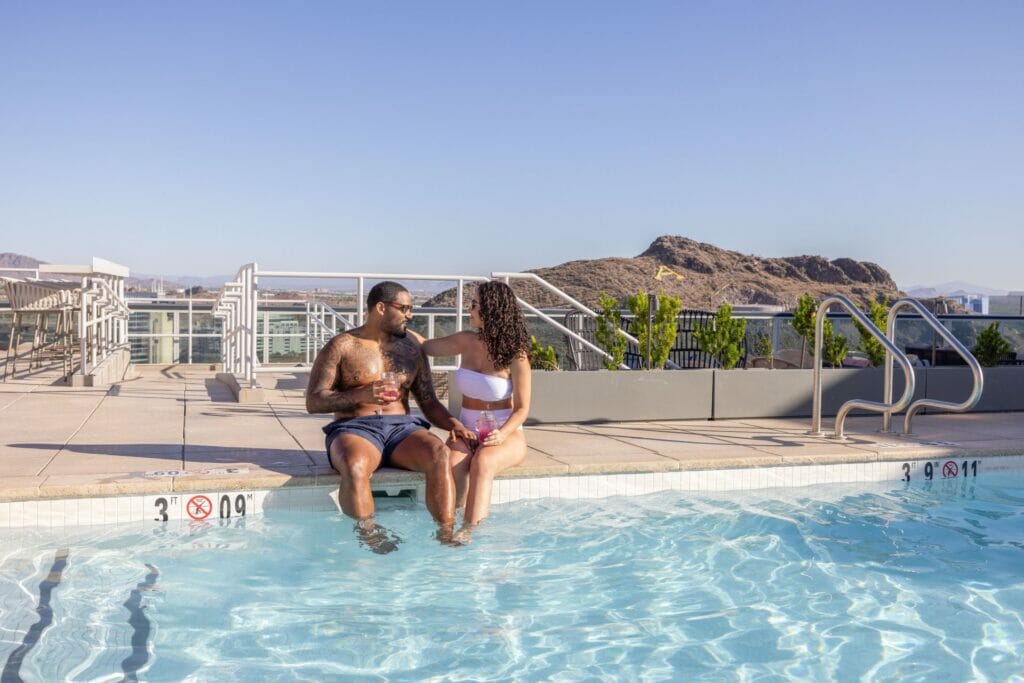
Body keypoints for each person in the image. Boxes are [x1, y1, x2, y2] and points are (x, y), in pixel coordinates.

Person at [306, 281, 475, 553]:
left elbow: (428, 401)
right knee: (355, 465)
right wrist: (362, 395)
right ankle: (370, 535)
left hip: (402, 430)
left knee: (439, 453)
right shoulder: (342, 345)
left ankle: (445, 534)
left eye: (411, 308)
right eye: (404, 308)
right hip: (355, 428)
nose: (410, 315)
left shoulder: (411, 348)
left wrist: (453, 423)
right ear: (381, 308)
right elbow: (314, 401)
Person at [421, 280, 532, 538]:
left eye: (474, 305)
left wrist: (501, 435)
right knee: (450, 463)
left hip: (505, 433)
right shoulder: (465, 341)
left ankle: (469, 531)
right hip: (467, 430)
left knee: (482, 462)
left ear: (491, 309)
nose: (470, 310)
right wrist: (394, 332)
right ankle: (446, 527)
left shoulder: (517, 355)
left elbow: (523, 409)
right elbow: (426, 347)